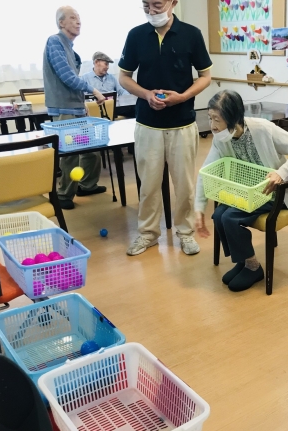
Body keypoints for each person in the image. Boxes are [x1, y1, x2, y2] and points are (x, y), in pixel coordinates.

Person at [119, 0, 212, 256]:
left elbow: (205, 76)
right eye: (146, 5)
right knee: (148, 185)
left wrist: (183, 97)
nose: (151, 11)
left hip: (182, 123)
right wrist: (146, 94)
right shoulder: (136, 35)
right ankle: (148, 233)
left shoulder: (191, 34)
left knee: (184, 185)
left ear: (173, 2)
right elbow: (124, 77)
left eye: (157, 5)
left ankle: (186, 233)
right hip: (147, 124)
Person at [194, 91, 288, 292]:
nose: (212, 125)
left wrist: (282, 173)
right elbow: (206, 172)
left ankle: (253, 267)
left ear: (233, 118)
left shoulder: (263, 128)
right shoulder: (221, 139)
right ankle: (242, 261)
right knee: (219, 215)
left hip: (273, 193)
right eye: (210, 118)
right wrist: (199, 208)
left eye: (217, 119)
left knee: (229, 217)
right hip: (247, 193)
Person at [43, 6, 107, 210]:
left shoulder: (71, 49)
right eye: (72, 18)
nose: (78, 21)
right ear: (61, 22)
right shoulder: (55, 42)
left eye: (79, 18)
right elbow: (67, 77)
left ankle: (87, 185)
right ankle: (63, 194)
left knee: (92, 150)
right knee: (70, 154)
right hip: (63, 109)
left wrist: (82, 103)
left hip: (76, 108)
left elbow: (73, 80)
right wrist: (94, 90)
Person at [81, 52, 137, 118]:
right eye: (106, 64)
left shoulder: (111, 77)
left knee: (135, 109)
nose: (108, 67)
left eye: (108, 65)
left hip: (113, 107)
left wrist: (129, 98)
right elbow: (81, 96)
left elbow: (121, 91)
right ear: (96, 62)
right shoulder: (85, 78)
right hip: (95, 108)